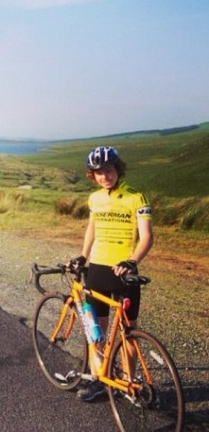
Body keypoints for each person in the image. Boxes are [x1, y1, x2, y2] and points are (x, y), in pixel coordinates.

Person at [68, 146, 154, 401]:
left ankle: (129, 382)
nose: (104, 176)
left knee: (129, 331)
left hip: (124, 271)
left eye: (108, 170)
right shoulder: (94, 199)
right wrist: (83, 256)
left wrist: (131, 261)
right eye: (98, 172)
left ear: (118, 170)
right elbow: (91, 230)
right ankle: (99, 379)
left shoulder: (136, 198)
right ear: (92, 176)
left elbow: (147, 237)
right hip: (97, 270)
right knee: (97, 329)